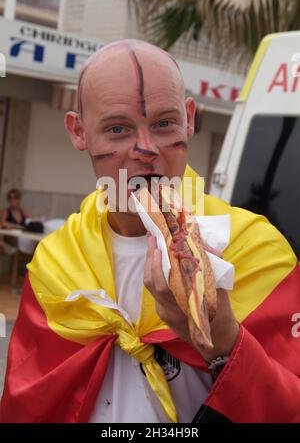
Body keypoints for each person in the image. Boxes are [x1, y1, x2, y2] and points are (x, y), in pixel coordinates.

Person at [0, 40, 299, 423]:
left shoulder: (255, 249)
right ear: (79, 132)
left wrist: (223, 340)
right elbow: (27, 406)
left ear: (189, 119)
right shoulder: (55, 264)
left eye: (163, 124)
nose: (145, 149)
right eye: (118, 128)